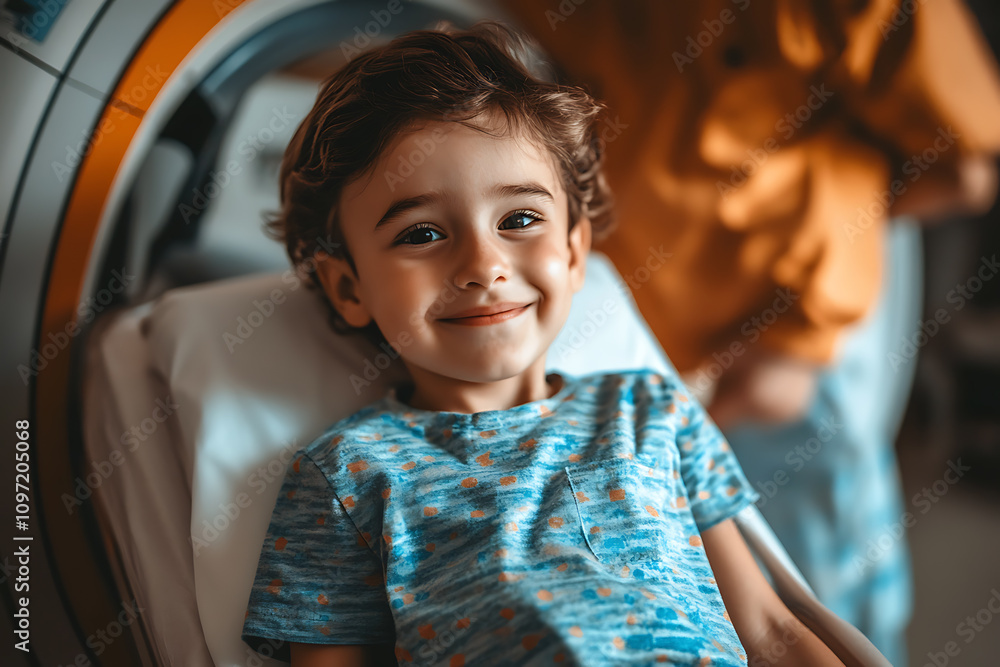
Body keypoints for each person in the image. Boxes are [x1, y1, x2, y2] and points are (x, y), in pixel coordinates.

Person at [240, 21, 844, 666]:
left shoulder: (652, 414)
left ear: (575, 250)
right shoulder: (348, 475)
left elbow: (772, 634)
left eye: (520, 220)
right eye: (420, 235)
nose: (483, 264)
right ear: (348, 287)